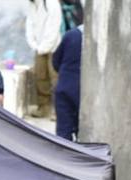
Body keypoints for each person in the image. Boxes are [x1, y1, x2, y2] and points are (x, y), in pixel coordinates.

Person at [51, 8, 83, 139]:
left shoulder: (71, 35)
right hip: (82, 92)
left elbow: (55, 61)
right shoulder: (98, 38)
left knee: (63, 133)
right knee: (83, 131)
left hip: (65, 87)